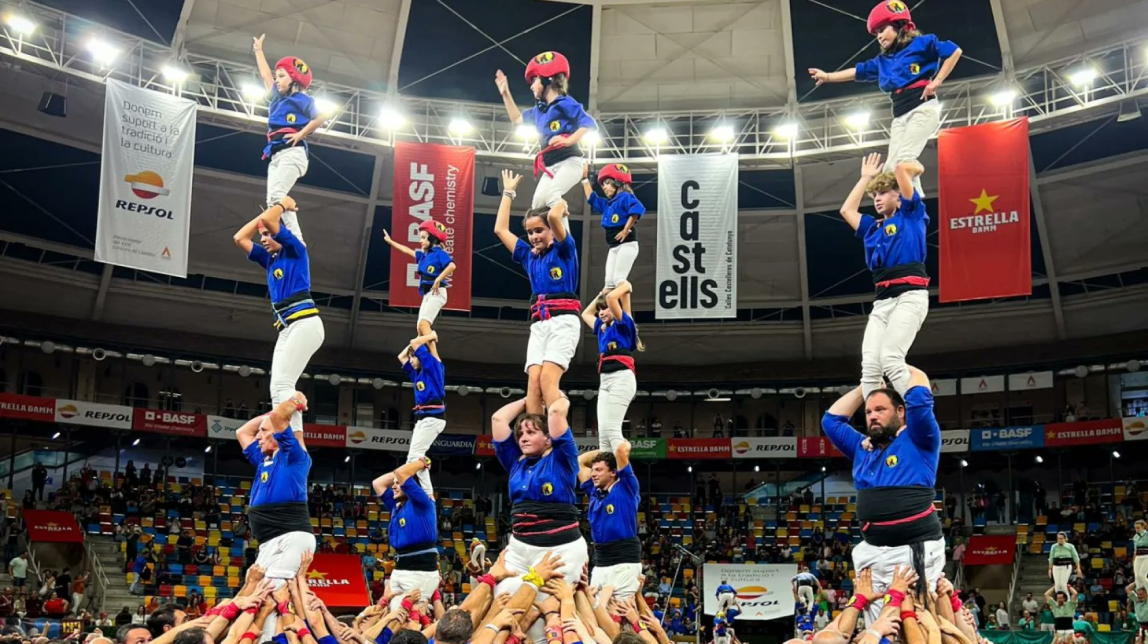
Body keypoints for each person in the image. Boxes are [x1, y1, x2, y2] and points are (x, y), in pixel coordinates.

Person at [821, 364, 942, 621]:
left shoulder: (919, 438)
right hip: (872, 549)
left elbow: (919, 388)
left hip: (914, 547)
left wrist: (893, 362)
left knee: (915, 620)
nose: (872, 416)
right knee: (877, 626)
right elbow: (830, 421)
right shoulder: (861, 448)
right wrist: (866, 385)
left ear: (900, 412)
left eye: (880, 410)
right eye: (868, 411)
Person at [808, 1, 962, 197]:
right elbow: (857, 72)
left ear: (900, 26)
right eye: (876, 33)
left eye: (882, 29)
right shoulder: (882, 61)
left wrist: (937, 81)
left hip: (922, 109)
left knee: (905, 160)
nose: (879, 36)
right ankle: (912, 208)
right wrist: (828, 77)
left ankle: (913, 212)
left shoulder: (922, 43)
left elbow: (955, 51)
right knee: (891, 168)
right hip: (899, 116)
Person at [489, 395, 587, 639]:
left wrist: (555, 394)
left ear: (548, 439)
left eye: (531, 432)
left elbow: (556, 414)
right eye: (520, 433)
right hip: (520, 549)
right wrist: (528, 398)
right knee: (507, 608)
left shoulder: (562, 458)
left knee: (550, 614)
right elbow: (498, 419)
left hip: (560, 549)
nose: (523, 437)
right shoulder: (515, 461)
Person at [837, 152, 930, 398]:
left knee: (891, 358)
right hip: (882, 301)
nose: (877, 199)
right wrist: (865, 178)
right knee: (869, 367)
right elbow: (847, 210)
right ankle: (877, 425)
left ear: (899, 197)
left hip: (909, 296)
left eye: (883, 193)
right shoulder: (872, 228)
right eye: (875, 195)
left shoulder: (911, 216)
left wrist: (911, 170)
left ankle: (919, 419)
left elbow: (902, 170)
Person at [233, 197, 324, 435]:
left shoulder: (295, 250)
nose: (262, 240)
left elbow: (270, 220)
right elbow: (239, 238)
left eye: (266, 235)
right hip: (287, 328)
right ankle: (287, 437)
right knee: (277, 388)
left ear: (280, 233)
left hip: (304, 324)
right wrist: (263, 220)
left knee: (283, 384)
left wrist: (283, 205)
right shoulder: (270, 260)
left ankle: (295, 442)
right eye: (261, 235)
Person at [493, 171, 579, 416]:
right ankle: (536, 439)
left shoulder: (564, 251)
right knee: (532, 385)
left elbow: (553, 215)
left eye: (539, 230)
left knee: (547, 381)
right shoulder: (527, 256)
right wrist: (508, 193)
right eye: (530, 232)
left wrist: (559, 205)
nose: (534, 236)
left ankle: (557, 437)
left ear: (553, 230)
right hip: (539, 324)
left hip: (563, 322)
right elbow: (500, 229)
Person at [494, 52, 597, 219]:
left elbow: (590, 124)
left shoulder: (565, 102)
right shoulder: (538, 111)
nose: (531, 86)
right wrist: (505, 93)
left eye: (534, 80)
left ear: (547, 78)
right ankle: (556, 242)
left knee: (552, 196)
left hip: (570, 163)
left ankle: (565, 243)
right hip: (550, 168)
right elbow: (517, 119)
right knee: (537, 206)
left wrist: (568, 140)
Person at [234, 392, 315, 590]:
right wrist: (268, 416)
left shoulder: (292, 457)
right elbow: (242, 432)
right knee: (255, 592)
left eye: (263, 431)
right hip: (269, 541)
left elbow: (279, 417)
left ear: (278, 435)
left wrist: (295, 402)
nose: (258, 436)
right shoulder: (264, 460)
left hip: (289, 536)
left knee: (272, 594)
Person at [251, 34, 326, 241]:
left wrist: (301, 133)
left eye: (282, 75)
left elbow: (322, 116)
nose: (277, 79)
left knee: (276, 197)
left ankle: (297, 241)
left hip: (293, 152)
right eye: (277, 76)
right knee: (272, 201)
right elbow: (265, 74)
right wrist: (258, 50)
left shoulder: (303, 99)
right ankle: (287, 239)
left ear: (294, 79)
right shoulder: (276, 97)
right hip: (277, 154)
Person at [580, 280, 642, 452]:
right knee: (603, 435)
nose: (600, 313)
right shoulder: (602, 327)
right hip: (605, 381)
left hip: (621, 379)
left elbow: (614, 298)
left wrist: (625, 287)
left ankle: (624, 474)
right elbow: (585, 314)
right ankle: (607, 474)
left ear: (615, 309)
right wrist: (601, 294)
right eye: (599, 310)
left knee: (613, 431)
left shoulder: (624, 324)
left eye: (605, 308)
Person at [371, 457, 439, 611]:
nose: (393, 487)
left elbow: (402, 473)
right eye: (393, 483)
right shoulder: (397, 505)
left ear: (409, 487)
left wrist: (421, 464)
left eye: (397, 483)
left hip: (419, 571)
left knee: (407, 617)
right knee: (389, 614)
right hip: (400, 569)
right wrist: (400, 473)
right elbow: (378, 483)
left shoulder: (421, 502)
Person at [576, 441, 640, 601]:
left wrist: (609, 449)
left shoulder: (626, 487)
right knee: (597, 615)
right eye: (593, 470)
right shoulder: (594, 491)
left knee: (620, 614)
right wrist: (602, 452)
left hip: (625, 562)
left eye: (599, 470)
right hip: (601, 562)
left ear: (613, 473)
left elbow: (621, 450)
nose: (593, 474)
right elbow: (579, 462)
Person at [381, 221, 456, 336]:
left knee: (423, 325)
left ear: (432, 238)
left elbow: (452, 266)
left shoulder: (439, 253)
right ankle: (427, 353)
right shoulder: (424, 256)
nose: (420, 240)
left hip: (437, 292)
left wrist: (438, 279)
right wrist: (390, 242)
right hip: (427, 294)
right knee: (420, 329)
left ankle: (433, 352)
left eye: (423, 237)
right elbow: (406, 250)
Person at [581, 163, 645, 290]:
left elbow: (636, 210)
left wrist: (626, 230)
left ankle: (624, 308)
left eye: (607, 183)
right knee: (609, 283)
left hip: (627, 244)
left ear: (617, 182)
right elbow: (592, 199)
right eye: (603, 185)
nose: (604, 188)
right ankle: (599, 309)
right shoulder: (607, 204)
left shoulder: (625, 197)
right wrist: (584, 179)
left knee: (618, 279)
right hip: (613, 246)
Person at [398, 331, 446, 498]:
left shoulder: (431, 367)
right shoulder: (417, 374)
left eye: (414, 357)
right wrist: (411, 349)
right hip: (423, 419)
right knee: (412, 458)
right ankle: (424, 491)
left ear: (421, 357)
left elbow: (415, 341)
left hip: (433, 418)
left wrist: (430, 335)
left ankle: (427, 493)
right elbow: (401, 356)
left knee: (414, 457)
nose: (411, 360)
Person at [1133, 520, 1148, 590]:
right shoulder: (1135, 537)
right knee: (1137, 577)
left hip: (1146, 557)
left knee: (1142, 575)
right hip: (1138, 557)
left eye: (1138, 528)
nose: (1136, 529)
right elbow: (1135, 551)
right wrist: (1134, 561)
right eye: (1135, 528)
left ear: (1143, 527)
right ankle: (1140, 596)